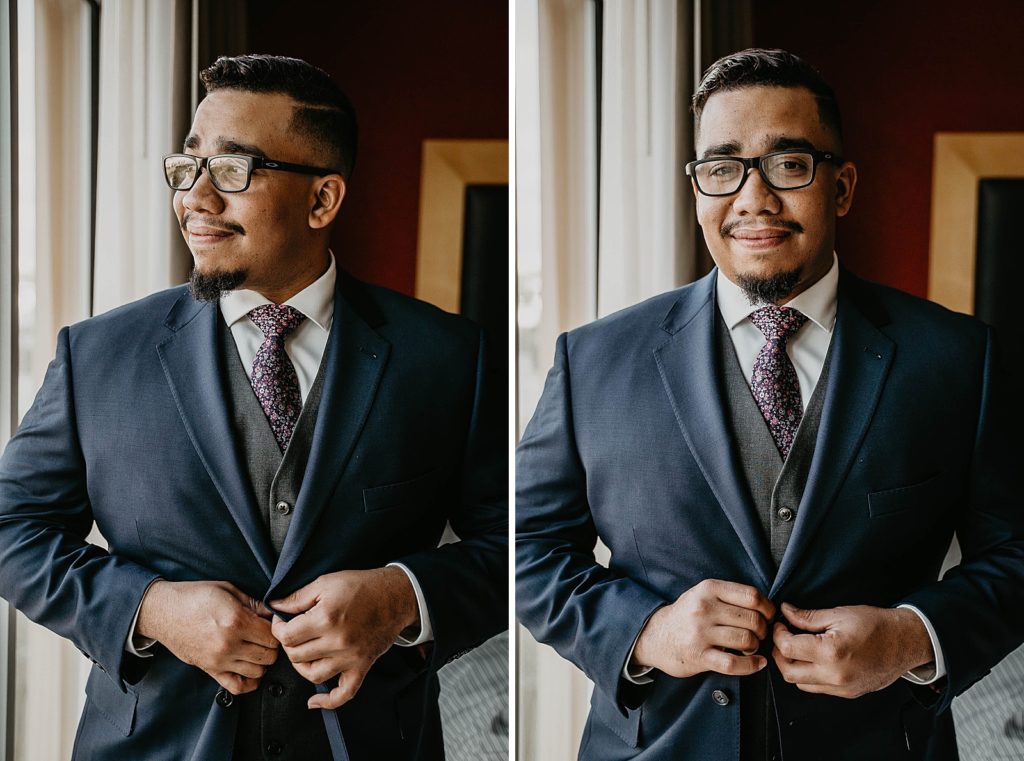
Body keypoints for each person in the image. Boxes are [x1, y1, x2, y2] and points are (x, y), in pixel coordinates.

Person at [516, 48, 1024, 761]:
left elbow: (1016, 554)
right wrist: (648, 630)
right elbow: (523, 545)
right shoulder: (591, 360)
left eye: (789, 164)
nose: (752, 198)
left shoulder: (959, 359)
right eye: (722, 168)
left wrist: (914, 636)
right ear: (696, 189)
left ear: (842, 186)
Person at [0, 54, 506, 761]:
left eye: (233, 170)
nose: (196, 199)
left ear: (323, 199)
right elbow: (12, 529)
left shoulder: (449, 356)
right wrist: (150, 608)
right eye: (188, 166)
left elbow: (518, 545)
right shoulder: (96, 356)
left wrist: (402, 597)